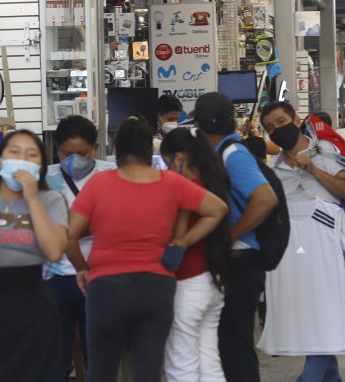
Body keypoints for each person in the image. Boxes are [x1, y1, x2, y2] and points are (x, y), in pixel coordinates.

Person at [69, 118, 228, 382]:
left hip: (107, 288)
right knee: (148, 371)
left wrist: (82, 269)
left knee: (102, 370)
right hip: (158, 287)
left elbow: (69, 236)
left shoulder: (99, 184)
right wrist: (183, 241)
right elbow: (218, 209)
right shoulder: (172, 183)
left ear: (117, 149)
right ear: (148, 150)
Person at [258, 102, 345, 381]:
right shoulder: (274, 170)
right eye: (270, 128)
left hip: (324, 254)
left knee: (322, 319)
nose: (277, 130)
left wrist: (312, 168)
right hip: (293, 257)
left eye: (281, 122)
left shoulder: (327, 153)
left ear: (297, 120)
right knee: (315, 324)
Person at [0, 130, 69, 382]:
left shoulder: (51, 200)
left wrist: (32, 198)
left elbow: (54, 251)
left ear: (41, 166)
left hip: (32, 308)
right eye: (14, 152)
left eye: (31, 155)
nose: (22, 159)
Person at [192, 93, 279, 382]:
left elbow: (265, 200)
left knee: (235, 344)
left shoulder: (233, 154)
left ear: (200, 127)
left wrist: (231, 234)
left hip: (242, 261)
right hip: (234, 261)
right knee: (227, 343)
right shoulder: (222, 154)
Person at [158, 129, 233, 382]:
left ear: (177, 158)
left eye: (166, 162)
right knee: (209, 361)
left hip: (187, 284)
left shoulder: (186, 190)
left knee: (182, 364)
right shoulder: (213, 182)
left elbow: (175, 236)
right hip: (213, 281)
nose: (165, 168)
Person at [44, 116, 102, 382]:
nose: (74, 160)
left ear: (96, 149)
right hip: (55, 276)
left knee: (98, 351)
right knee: (56, 352)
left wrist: (68, 228)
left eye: (82, 153)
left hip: (99, 274)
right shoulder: (45, 179)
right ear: (57, 150)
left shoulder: (109, 175)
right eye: (67, 154)